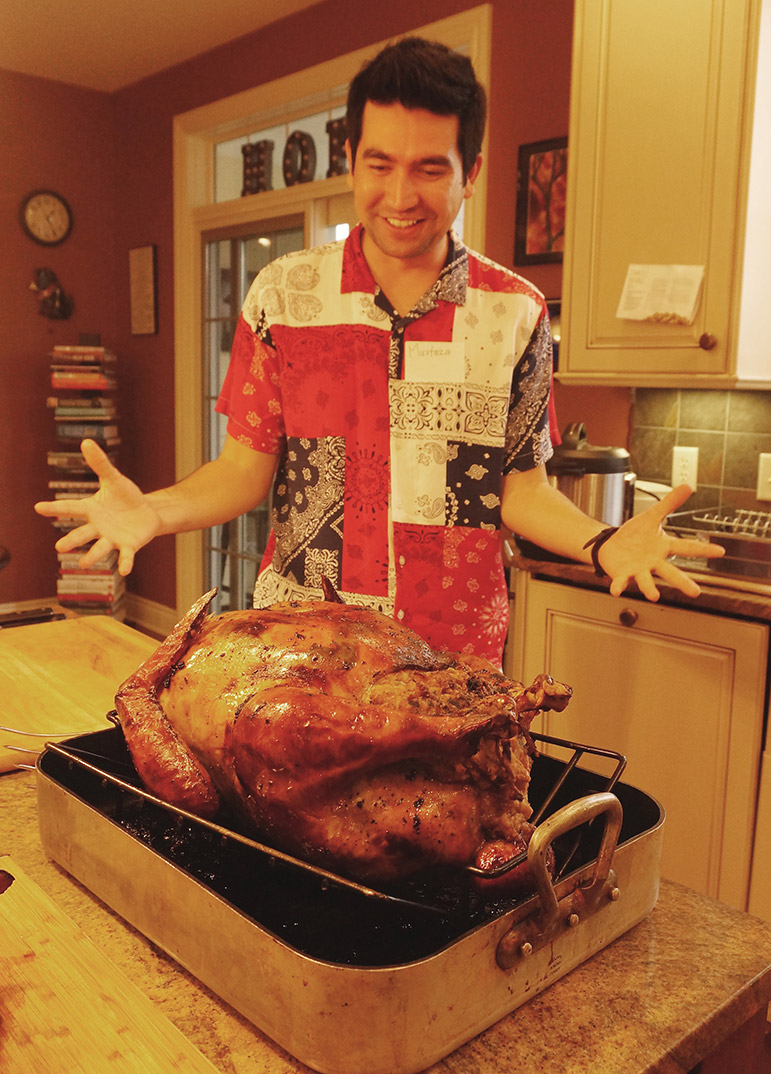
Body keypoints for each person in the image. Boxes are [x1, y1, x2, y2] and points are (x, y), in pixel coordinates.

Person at [34, 36, 722, 666]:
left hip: (452, 655)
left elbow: (521, 491)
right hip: (301, 642)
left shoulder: (515, 312)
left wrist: (603, 542)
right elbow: (242, 473)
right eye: (379, 164)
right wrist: (155, 511)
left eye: (428, 168)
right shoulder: (282, 294)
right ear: (350, 161)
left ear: (470, 171)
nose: (399, 196)